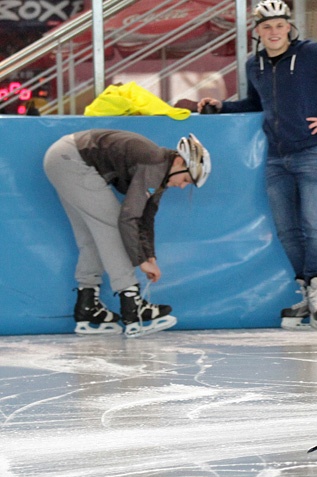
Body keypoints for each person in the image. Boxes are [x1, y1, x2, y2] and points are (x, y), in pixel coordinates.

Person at [197, 0, 317, 331]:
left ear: (289, 26)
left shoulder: (310, 54)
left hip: (313, 152)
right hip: (276, 157)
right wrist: (222, 106)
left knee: (314, 225)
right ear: (257, 31)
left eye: (279, 25)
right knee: (287, 229)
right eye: (266, 27)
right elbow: (255, 103)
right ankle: (305, 291)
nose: (273, 32)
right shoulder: (254, 64)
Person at [43, 129, 211, 337]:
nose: (183, 186)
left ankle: (87, 305)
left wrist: (150, 256)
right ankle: (132, 306)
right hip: (72, 160)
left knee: (93, 237)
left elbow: (146, 217)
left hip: (62, 158)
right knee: (112, 227)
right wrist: (140, 260)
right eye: (186, 179)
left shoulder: (160, 171)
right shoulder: (154, 163)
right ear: (179, 162)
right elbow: (128, 217)